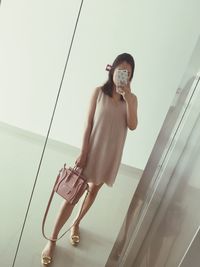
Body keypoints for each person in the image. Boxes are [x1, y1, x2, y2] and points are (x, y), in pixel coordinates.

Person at [41, 53, 138, 265]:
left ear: (130, 77)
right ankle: (52, 240)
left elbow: (132, 125)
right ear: (112, 70)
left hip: (110, 156)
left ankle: (76, 223)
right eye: (120, 69)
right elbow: (88, 125)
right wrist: (84, 152)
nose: (123, 74)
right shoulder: (98, 93)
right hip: (92, 153)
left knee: (93, 191)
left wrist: (129, 98)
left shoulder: (131, 100)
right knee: (71, 197)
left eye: (128, 72)